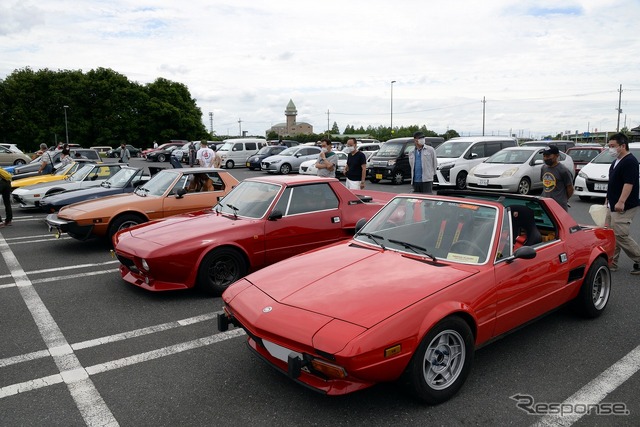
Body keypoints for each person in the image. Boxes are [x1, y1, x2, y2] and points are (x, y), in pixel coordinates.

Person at [604, 133, 640, 274]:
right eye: (609, 146)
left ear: (623, 146)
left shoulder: (629, 161)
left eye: (613, 146)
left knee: (620, 234)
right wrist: (607, 198)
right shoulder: (616, 161)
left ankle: (638, 258)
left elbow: (628, 183)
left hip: (624, 205)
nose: (610, 149)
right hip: (612, 203)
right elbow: (613, 182)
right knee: (610, 233)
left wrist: (621, 201)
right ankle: (612, 262)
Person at [540, 145, 574, 212]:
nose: (546, 158)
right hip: (545, 204)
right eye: (544, 156)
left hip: (559, 205)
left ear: (557, 155)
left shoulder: (563, 170)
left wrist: (563, 199)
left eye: (548, 156)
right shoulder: (543, 168)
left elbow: (570, 188)